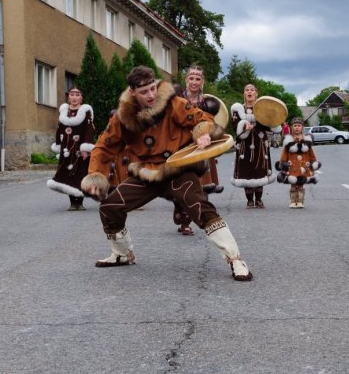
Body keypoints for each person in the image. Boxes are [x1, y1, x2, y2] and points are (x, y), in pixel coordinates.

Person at [81, 66, 252, 281]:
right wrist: (95, 174)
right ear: (133, 92)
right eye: (144, 92)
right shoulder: (123, 117)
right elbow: (103, 147)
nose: (151, 95)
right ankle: (122, 254)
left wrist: (203, 133)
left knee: (201, 209)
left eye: (153, 89)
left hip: (178, 170)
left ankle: (235, 259)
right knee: (109, 207)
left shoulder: (175, 103)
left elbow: (204, 118)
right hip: (147, 174)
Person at [171, 65, 224, 235]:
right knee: (180, 182)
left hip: (200, 146)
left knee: (197, 185)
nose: (194, 81)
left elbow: (212, 125)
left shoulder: (207, 104)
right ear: (186, 80)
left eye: (198, 79)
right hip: (180, 144)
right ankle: (181, 212)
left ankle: (191, 220)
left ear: (202, 82)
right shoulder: (177, 99)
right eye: (191, 78)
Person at [47, 86, 95, 211]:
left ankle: (80, 202)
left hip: (80, 149)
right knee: (66, 173)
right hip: (66, 150)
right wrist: (58, 144)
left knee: (80, 174)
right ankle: (73, 203)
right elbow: (59, 129)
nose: (74, 97)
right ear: (68, 96)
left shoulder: (85, 111)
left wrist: (86, 148)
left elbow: (89, 130)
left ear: (81, 97)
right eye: (72, 94)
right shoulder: (63, 111)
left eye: (77, 94)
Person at [231, 84, 279, 208]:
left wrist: (274, 120)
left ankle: (258, 199)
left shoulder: (262, 109)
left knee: (259, 170)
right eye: (247, 90)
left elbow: (270, 125)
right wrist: (243, 126)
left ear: (256, 94)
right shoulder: (238, 109)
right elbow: (235, 127)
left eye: (252, 90)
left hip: (260, 144)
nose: (249, 92)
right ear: (244, 93)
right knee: (247, 171)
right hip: (244, 145)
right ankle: (249, 200)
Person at [275, 117, 320, 208]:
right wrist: (283, 163)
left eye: (299, 126)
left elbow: (311, 155)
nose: (297, 127)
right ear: (292, 127)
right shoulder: (288, 140)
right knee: (293, 184)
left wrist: (313, 163)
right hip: (292, 166)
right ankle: (293, 201)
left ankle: (300, 201)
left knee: (300, 184)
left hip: (304, 166)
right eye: (295, 126)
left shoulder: (307, 141)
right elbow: (284, 153)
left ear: (302, 127)